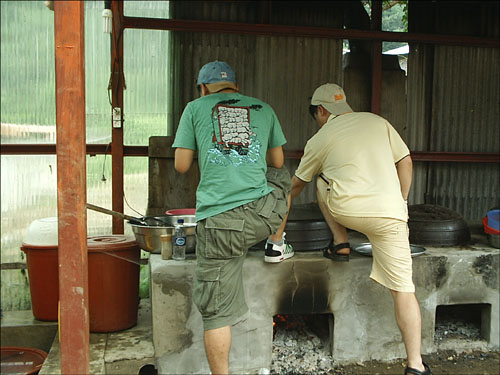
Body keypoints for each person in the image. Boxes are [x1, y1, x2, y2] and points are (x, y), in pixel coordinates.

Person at [289, 83, 432, 375]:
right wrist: (401, 201)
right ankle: (415, 365)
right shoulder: (378, 122)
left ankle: (341, 242)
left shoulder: (320, 137)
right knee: (404, 290)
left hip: (348, 211)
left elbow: (299, 182)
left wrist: (283, 196)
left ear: (321, 110)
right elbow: (405, 160)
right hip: (390, 215)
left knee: (320, 181)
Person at [172, 61, 294, 374]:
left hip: (220, 225)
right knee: (284, 177)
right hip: (260, 217)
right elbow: (277, 162)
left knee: (216, 314)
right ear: (236, 88)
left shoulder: (195, 108)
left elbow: (182, 165)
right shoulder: (263, 108)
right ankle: (276, 244)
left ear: (203, 89)